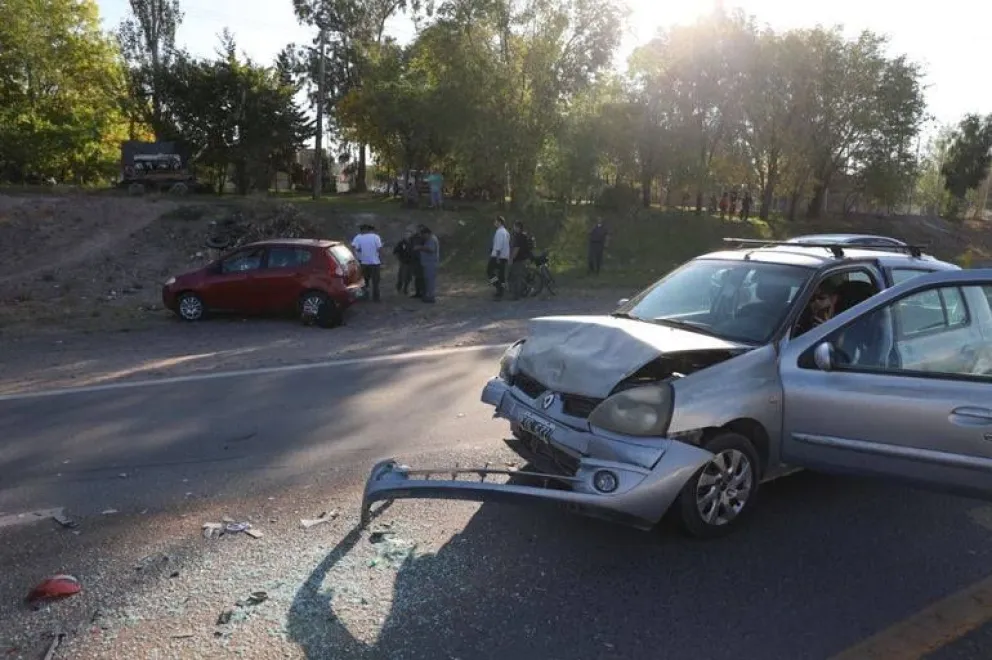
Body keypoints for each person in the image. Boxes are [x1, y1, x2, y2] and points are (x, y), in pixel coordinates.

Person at [351, 224, 383, 303]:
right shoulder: (376, 237)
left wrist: (358, 255)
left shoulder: (358, 237)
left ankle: (364, 297)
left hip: (363, 262)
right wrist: (381, 259)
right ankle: (376, 298)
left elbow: (355, 248)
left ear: (363, 230)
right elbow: (379, 249)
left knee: (364, 281)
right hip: (375, 262)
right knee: (375, 281)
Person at [508, 220, 533, 300]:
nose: (513, 228)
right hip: (525, 258)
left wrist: (511, 258)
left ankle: (516, 295)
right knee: (521, 276)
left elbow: (516, 248)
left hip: (518, 259)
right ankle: (523, 291)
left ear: (518, 227)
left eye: (514, 226)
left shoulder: (518, 236)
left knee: (516, 277)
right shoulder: (524, 235)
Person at [414, 225, 439, 303]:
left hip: (430, 263)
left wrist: (420, 247)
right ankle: (428, 295)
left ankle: (431, 297)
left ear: (427, 234)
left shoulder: (431, 239)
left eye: (423, 235)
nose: (422, 237)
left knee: (430, 280)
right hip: (427, 263)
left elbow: (431, 249)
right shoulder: (429, 239)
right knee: (427, 280)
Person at [488, 216, 511, 299]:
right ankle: (501, 291)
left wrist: (497, 257)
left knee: (489, 272)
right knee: (501, 274)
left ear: (500, 222)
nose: (494, 223)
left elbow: (499, 245)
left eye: (496, 221)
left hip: (498, 256)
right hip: (504, 256)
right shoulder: (506, 232)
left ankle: (498, 287)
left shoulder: (499, 232)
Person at [392, 228, 416, 295]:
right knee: (401, 276)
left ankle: (406, 289)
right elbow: (395, 251)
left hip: (411, 262)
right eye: (406, 234)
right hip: (403, 262)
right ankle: (398, 288)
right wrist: (399, 258)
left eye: (409, 234)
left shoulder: (413, 242)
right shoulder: (401, 243)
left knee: (409, 277)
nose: (407, 235)